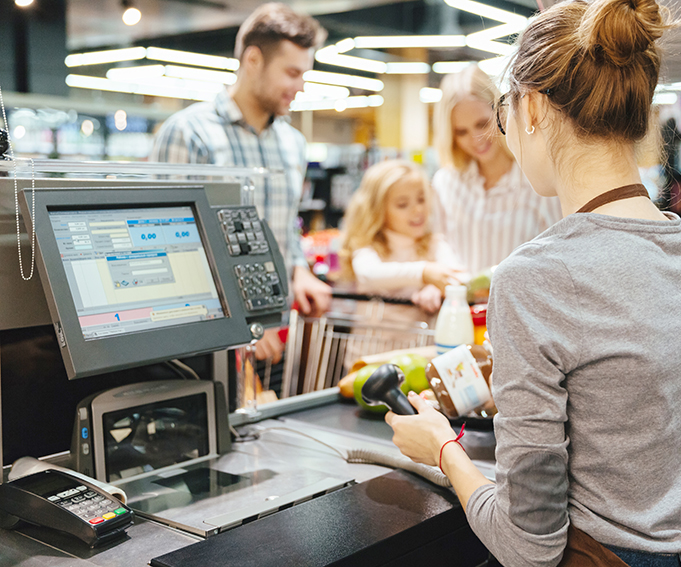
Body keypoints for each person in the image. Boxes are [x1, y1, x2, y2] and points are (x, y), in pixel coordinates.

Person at [386, 1, 681, 567]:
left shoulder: (532, 278)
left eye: (504, 110)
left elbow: (529, 546)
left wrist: (444, 451)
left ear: (536, 109)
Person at [151, 3, 331, 363]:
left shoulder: (292, 143)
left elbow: (285, 228)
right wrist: (240, 322)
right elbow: (170, 242)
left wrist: (299, 270)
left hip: (276, 331)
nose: (300, 86)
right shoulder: (190, 133)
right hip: (207, 339)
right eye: (292, 73)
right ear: (253, 60)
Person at [431, 64, 562, 276]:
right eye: (461, 132)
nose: (476, 140)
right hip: (462, 306)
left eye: (482, 124)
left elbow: (560, 252)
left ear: (502, 111)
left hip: (521, 305)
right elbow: (437, 241)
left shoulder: (538, 179)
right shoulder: (445, 183)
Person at [339, 160, 464, 317]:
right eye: (402, 204)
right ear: (378, 210)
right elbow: (368, 274)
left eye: (421, 199)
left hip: (422, 340)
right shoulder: (367, 246)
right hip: (370, 340)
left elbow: (461, 277)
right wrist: (424, 272)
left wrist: (436, 287)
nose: (418, 210)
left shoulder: (434, 244)